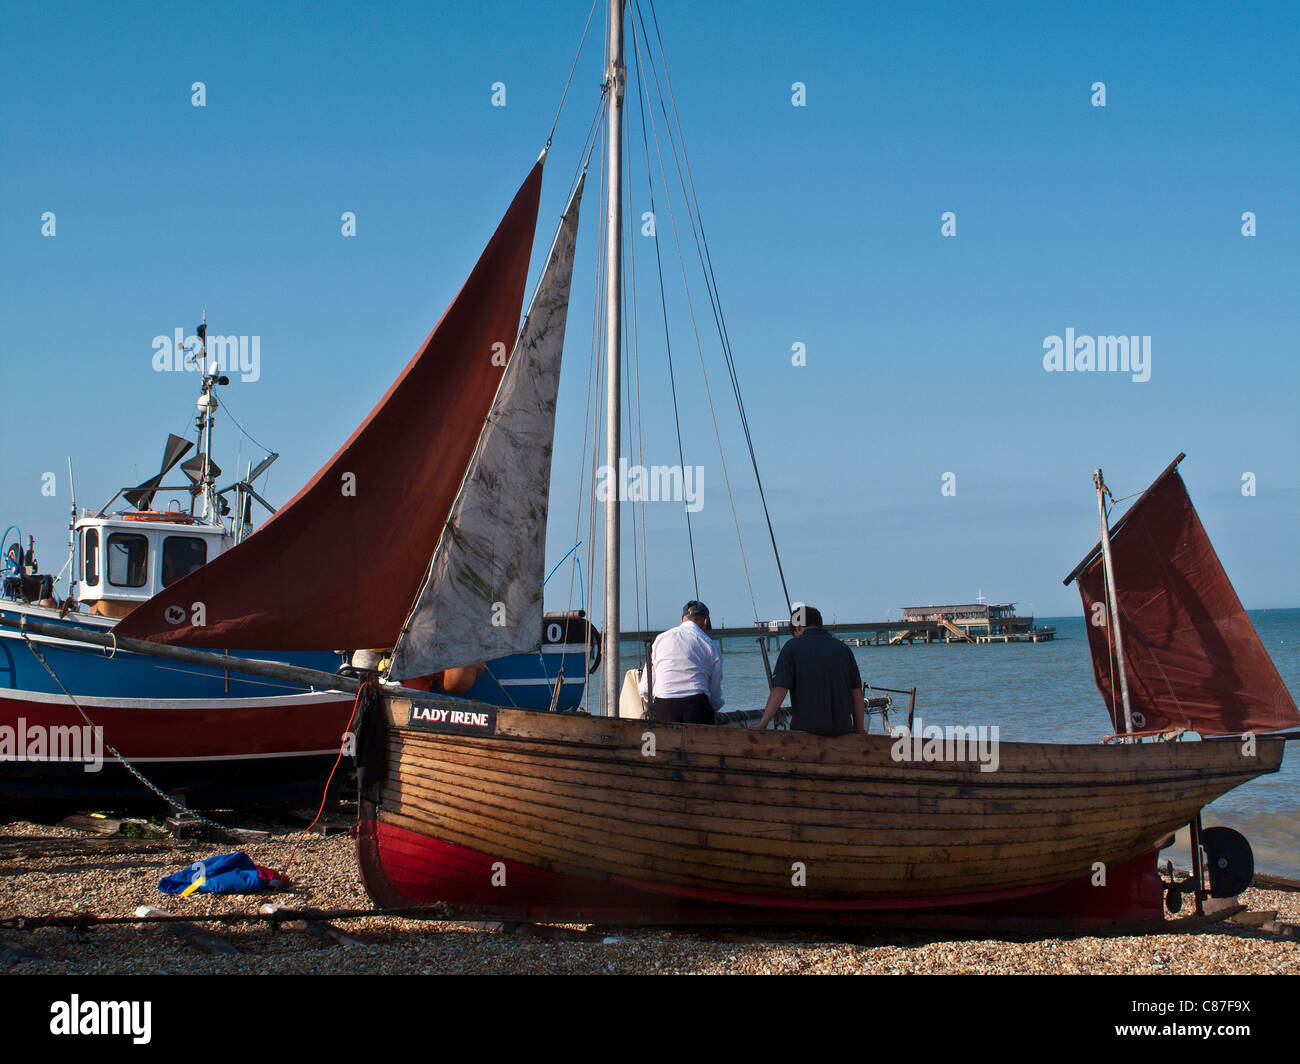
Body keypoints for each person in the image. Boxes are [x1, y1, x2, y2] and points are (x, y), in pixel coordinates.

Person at [752, 604, 865, 735]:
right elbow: (856, 692)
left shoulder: (791, 647)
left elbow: (780, 690)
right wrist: (859, 729)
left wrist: (763, 723)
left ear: (798, 627)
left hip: (806, 731)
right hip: (842, 730)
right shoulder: (844, 649)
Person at [638, 600, 724, 724]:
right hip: (697, 705)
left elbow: (645, 688)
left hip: (664, 706)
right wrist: (715, 707)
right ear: (706, 621)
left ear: (682, 619)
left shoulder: (661, 639)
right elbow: (715, 692)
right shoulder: (710, 644)